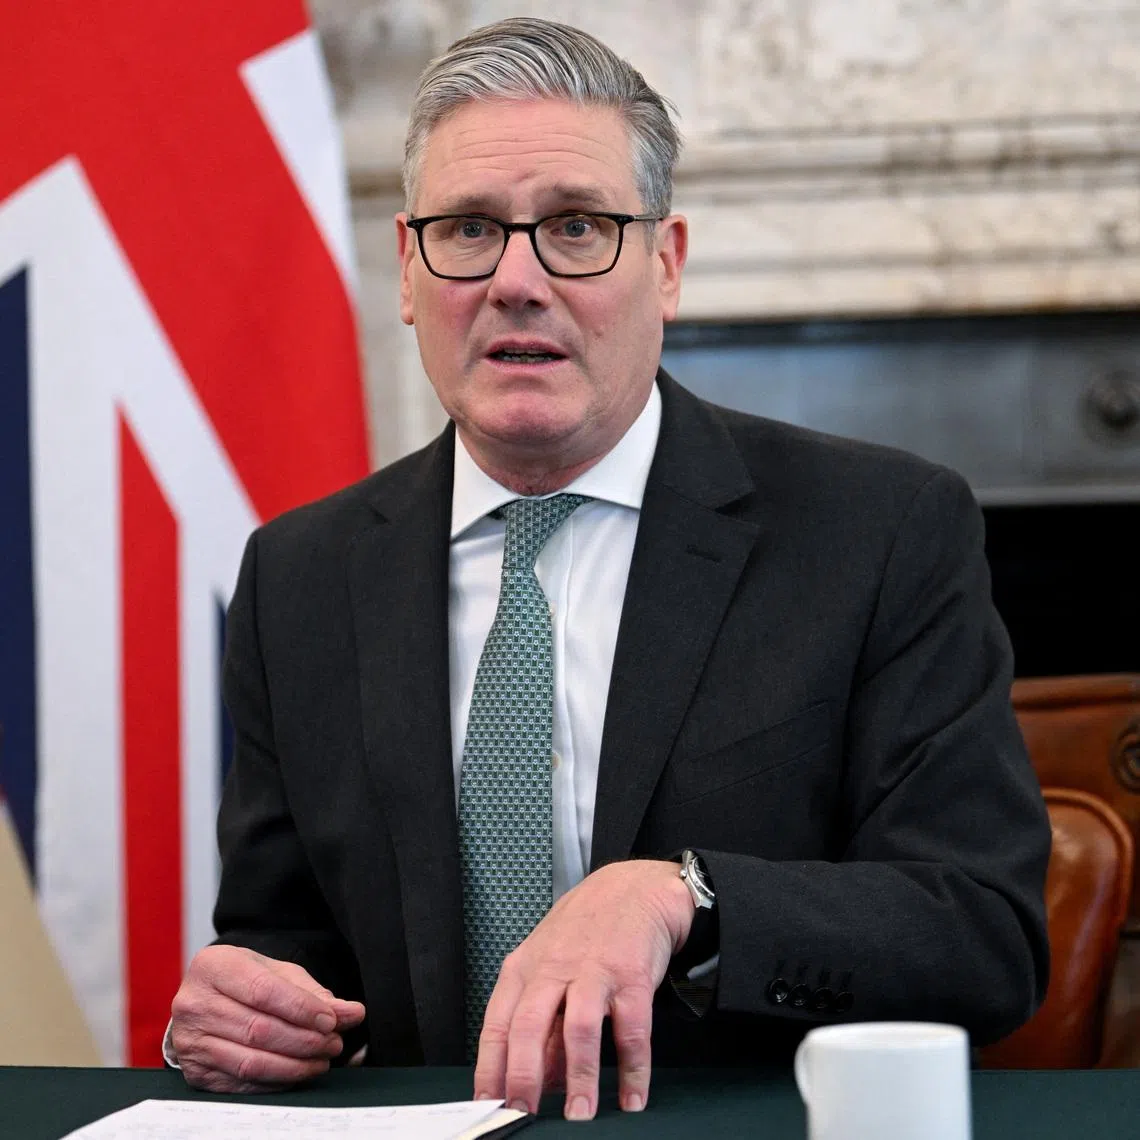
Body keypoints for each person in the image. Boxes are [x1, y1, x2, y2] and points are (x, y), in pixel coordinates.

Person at [168, 17, 1051, 1122]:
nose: (517, 281)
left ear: (665, 263)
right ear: (406, 269)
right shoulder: (297, 574)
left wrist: (688, 898)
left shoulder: (880, 530)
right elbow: (287, 945)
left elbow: (985, 934)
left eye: (577, 227)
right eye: (470, 230)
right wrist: (241, 1012)